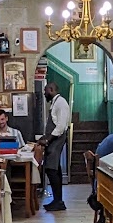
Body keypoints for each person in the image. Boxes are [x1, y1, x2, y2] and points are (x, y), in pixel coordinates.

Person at [36, 80, 71, 211]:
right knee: (55, 169)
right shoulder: (55, 103)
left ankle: (58, 201)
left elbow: (60, 126)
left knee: (51, 169)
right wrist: (44, 138)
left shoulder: (61, 103)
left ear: (51, 90)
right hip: (54, 139)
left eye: (45, 91)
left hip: (57, 139)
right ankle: (57, 200)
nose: (44, 93)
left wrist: (48, 140)